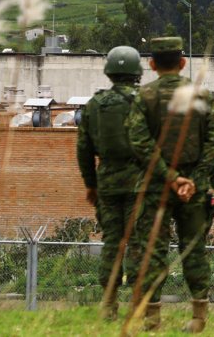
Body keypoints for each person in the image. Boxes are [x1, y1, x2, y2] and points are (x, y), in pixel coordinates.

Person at [126, 36, 214, 333]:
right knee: (193, 248)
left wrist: (169, 176)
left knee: (152, 250)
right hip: (193, 186)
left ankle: (152, 317)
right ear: (182, 63)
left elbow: (139, 142)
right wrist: (194, 179)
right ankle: (199, 317)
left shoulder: (144, 97)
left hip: (155, 186)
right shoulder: (202, 96)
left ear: (152, 64)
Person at [76, 45, 145, 321]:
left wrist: (91, 184)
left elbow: (83, 148)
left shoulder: (95, 105)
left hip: (106, 183)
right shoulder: (143, 102)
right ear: (136, 72)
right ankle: (139, 305)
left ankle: (109, 305)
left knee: (112, 243)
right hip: (139, 183)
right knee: (138, 243)